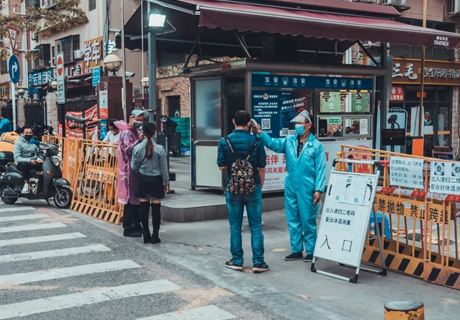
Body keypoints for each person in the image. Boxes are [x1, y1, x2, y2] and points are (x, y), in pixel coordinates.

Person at [255, 110, 326, 263]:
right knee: (292, 218)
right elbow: (273, 144)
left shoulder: (316, 146)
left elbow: (320, 169)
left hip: (308, 187)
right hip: (291, 185)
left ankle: (311, 250)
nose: (298, 126)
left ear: (309, 125)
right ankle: (296, 250)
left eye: (301, 123)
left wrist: (319, 189)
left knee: (308, 219)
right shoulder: (289, 141)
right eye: (297, 123)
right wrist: (261, 134)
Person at [217, 110, 268, 273]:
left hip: (233, 189)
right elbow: (261, 167)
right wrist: (260, 184)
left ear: (233, 121)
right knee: (255, 227)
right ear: (249, 124)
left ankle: (237, 260)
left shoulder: (224, 141)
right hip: (253, 188)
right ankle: (259, 262)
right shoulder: (257, 141)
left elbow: (221, 165)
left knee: (235, 226)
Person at [131, 122, 169, 244]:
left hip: (143, 179)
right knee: (156, 207)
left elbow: (133, 166)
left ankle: (146, 234)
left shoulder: (137, 148)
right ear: (155, 132)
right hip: (156, 179)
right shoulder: (160, 149)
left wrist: (140, 169)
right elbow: (164, 168)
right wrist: (165, 183)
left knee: (144, 207)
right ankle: (155, 235)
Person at [115, 109, 148, 237]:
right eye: (137, 120)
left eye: (141, 120)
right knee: (130, 200)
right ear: (130, 118)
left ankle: (137, 225)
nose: (139, 122)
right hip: (128, 171)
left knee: (136, 199)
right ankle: (128, 227)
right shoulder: (126, 133)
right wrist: (138, 141)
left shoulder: (135, 131)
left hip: (135, 170)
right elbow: (128, 151)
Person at [13, 125, 40, 194]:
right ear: (22, 133)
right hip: (22, 163)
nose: (29, 134)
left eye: (30, 133)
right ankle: (26, 184)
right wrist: (29, 161)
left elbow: (39, 151)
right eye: (27, 133)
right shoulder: (18, 143)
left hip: (34, 161)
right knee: (25, 165)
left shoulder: (33, 142)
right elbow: (17, 158)